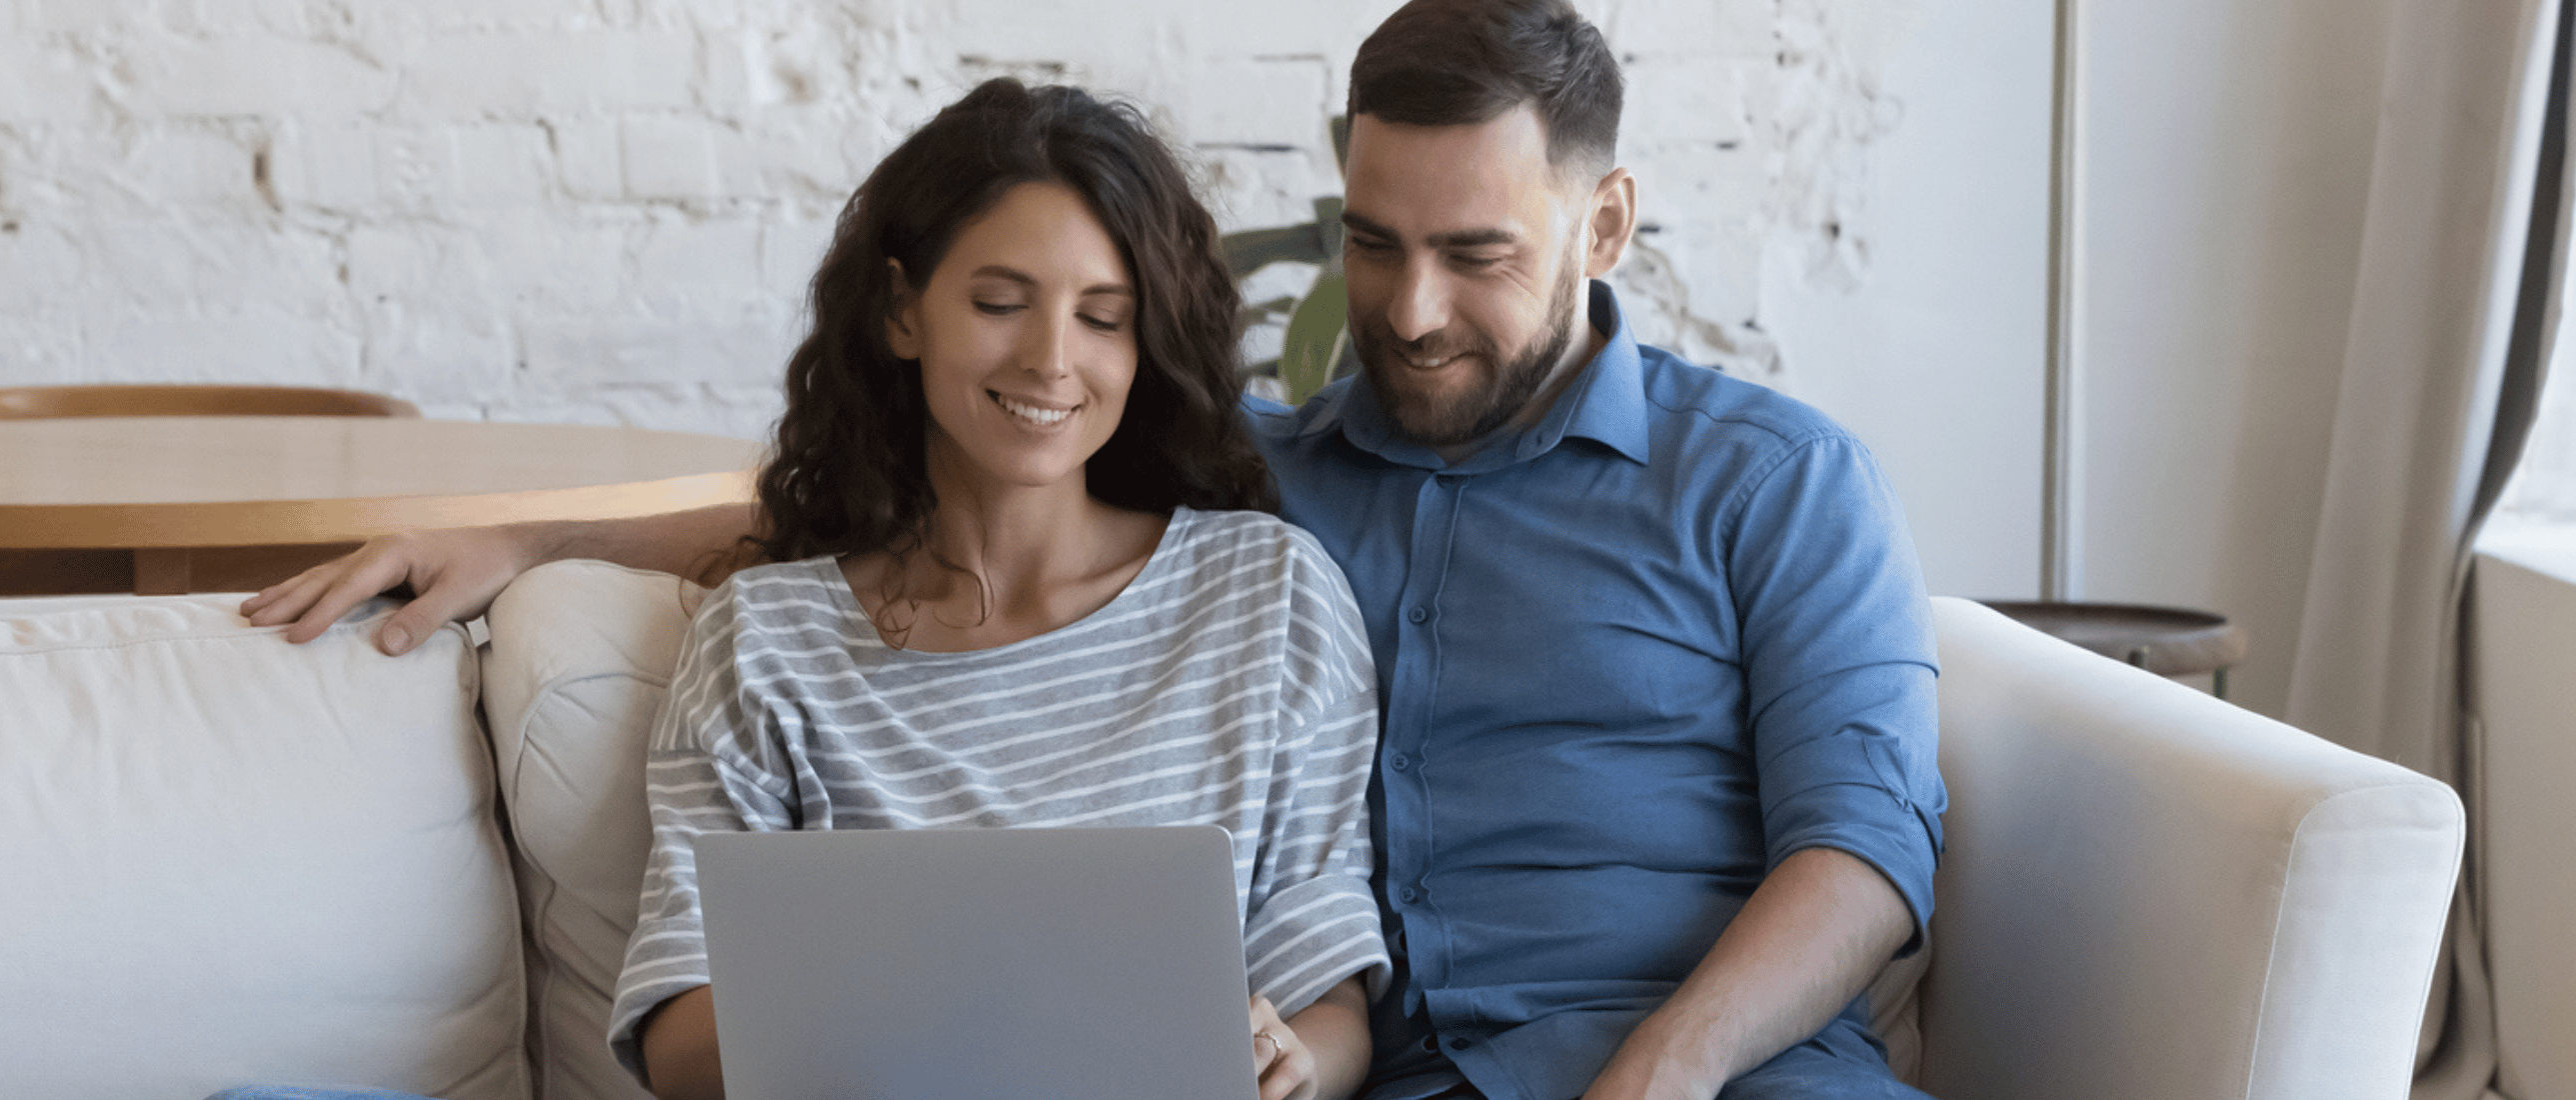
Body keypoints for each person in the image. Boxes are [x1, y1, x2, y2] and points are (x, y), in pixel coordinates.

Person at [249, 3, 1943, 1098]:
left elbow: (1868, 846)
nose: (1411, 311)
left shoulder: (1775, 486)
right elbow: (947, 500)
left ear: (1607, 221)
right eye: (1373, 245)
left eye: (1477, 255)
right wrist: (545, 543)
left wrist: (1668, 1070)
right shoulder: (1267, 485)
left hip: (1712, 1072)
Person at [250, 79, 1389, 1100]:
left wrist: (1292, 1060)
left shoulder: (1265, 595)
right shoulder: (770, 637)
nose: (1053, 358)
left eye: (1104, 315)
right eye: (1000, 300)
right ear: (903, 309)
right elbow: (680, 1036)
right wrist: (934, 1033)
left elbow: (1324, 985)